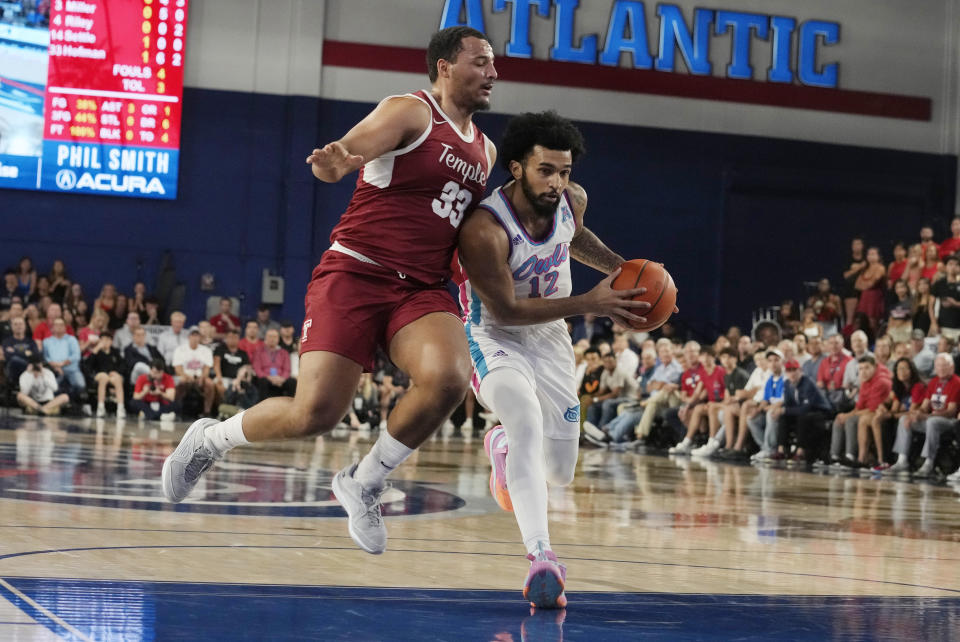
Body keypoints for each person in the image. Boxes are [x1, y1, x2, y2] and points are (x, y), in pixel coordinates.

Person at [162, 27, 502, 560]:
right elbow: (352, 149)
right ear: (443, 66)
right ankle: (210, 439)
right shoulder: (410, 111)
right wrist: (337, 159)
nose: (492, 72)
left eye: (493, 63)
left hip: (422, 289)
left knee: (448, 379)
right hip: (357, 273)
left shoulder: (485, 149)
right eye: (480, 62)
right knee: (315, 413)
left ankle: (365, 481)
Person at [455, 110, 649, 608]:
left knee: (560, 470)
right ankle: (542, 555)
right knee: (521, 412)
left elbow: (573, 236)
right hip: (493, 333)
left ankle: (499, 445)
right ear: (517, 167)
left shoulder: (570, 201)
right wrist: (593, 302)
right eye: (546, 171)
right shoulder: (485, 227)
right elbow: (506, 309)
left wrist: (626, 274)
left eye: (565, 172)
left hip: (550, 338)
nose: (558, 182)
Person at [887, 352, 960, 477]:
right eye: (938, 366)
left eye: (945, 365)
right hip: (932, 419)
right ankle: (902, 460)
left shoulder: (956, 382)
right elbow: (925, 406)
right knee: (905, 418)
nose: (941, 368)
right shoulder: (933, 382)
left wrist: (927, 416)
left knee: (933, 422)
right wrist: (916, 414)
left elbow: (951, 412)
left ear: (952, 367)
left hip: (950, 422)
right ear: (935, 367)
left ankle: (928, 463)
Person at [172, 328, 216, 416]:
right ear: (189, 337)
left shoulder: (206, 350)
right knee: (181, 382)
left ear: (200, 337)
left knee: (210, 384)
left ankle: (207, 411)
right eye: (193, 335)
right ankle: (176, 410)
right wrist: (187, 376)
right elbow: (178, 369)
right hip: (185, 375)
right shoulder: (180, 349)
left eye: (197, 335)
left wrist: (202, 377)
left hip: (200, 376)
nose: (195, 338)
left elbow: (206, 368)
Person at [87, 331, 127, 418]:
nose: (105, 342)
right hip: (99, 374)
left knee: (117, 378)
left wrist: (117, 372)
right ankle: (100, 407)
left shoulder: (115, 352)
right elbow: (88, 366)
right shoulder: (96, 352)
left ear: (111, 341)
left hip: (112, 375)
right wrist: (95, 350)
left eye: (108, 340)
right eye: (103, 340)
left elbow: (123, 365)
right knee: (104, 377)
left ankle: (120, 407)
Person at [251, 328, 296, 398]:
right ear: (265, 338)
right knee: (262, 381)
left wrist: (282, 379)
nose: (272, 339)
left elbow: (287, 369)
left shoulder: (284, 352)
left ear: (278, 339)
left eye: (274, 337)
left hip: (280, 380)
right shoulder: (258, 352)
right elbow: (257, 369)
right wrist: (270, 378)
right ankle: (263, 405)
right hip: (266, 379)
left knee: (292, 381)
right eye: (270, 336)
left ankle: (290, 405)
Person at [930, 255, 960, 341]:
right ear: (946, 267)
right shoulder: (939, 284)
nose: (953, 267)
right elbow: (931, 305)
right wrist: (933, 323)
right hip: (943, 327)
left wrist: (955, 303)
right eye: (950, 264)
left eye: (956, 264)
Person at [3, 316, 37, 382]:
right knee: (14, 360)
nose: (18, 326)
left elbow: (35, 355)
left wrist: (14, 351)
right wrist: (27, 353)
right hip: (14, 372)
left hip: (29, 370)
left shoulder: (31, 341)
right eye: (15, 324)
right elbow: (8, 356)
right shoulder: (6, 342)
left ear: (25, 326)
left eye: (21, 324)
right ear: (11, 327)